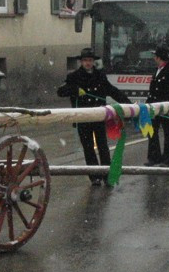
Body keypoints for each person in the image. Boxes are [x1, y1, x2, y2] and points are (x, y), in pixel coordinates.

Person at [56, 47, 131, 186]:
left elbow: (112, 91)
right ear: (81, 62)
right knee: (88, 148)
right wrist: (74, 90)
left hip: (99, 117)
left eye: (90, 60)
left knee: (103, 147)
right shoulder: (74, 77)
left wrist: (128, 104)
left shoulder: (100, 76)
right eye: (85, 61)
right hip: (83, 118)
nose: (87, 63)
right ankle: (94, 176)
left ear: (93, 62)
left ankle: (106, 174)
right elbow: (60, 91)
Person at [145, 46, 169, 167]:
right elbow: (153, 89)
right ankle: (154, 157)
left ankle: (167, 160)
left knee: (168, 134)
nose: (154, 58)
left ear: (159, 58)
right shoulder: (157, 70)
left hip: (166, 107)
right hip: (154, 107)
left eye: (155, 56)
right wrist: (148, 104)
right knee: (152, 132)